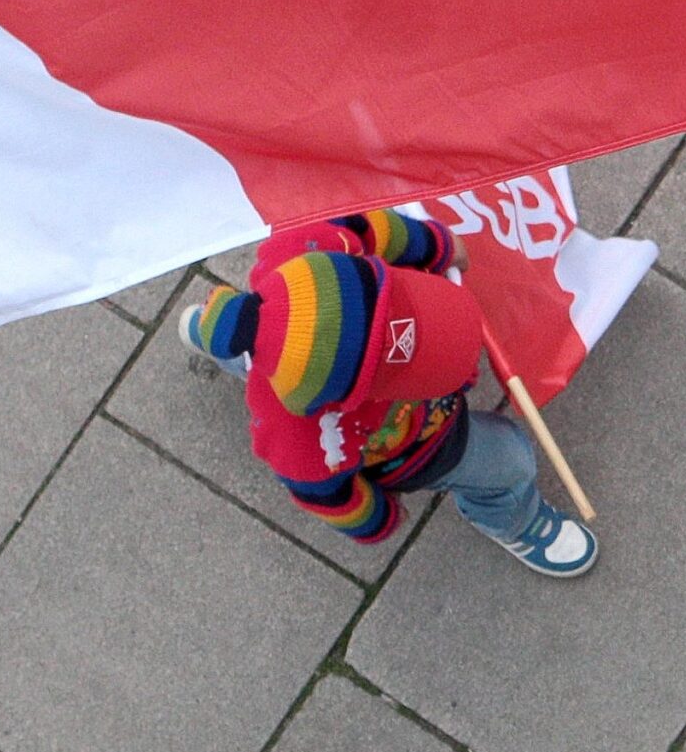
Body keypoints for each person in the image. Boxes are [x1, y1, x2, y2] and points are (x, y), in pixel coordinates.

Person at [178, 208, 595, 577]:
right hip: (418, 442)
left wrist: (440, 245)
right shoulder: (303, 442)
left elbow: (374, 228)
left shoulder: (316, 239)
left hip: (385, 394)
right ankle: (513, 519)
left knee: (262, 356)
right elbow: (327, 496)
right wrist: (378, 517)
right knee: (508, 462)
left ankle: (220, 335)